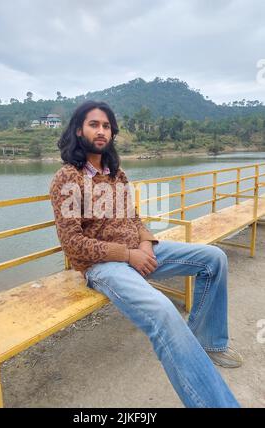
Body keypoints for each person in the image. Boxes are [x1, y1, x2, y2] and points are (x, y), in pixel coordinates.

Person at [49, 100, 242, 408]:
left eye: (106, 126)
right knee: (163, 311)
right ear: (78, 130)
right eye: (94, 124)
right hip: (103, 266)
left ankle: (207, 342)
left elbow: (134, 217)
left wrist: (145, 244)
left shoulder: (116, 173)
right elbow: (72, 244)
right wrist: (127, 255)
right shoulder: (67, 178)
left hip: (137, 252)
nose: (101, 131)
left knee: (213, 258)